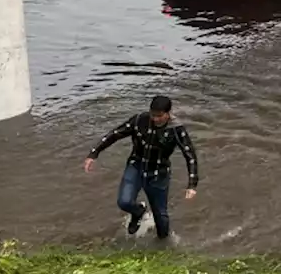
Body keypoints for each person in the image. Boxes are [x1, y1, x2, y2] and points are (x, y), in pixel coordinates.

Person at [84, 95, 199, 240]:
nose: (155, 119)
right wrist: (94, 153)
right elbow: (115, 134)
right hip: (136, 166)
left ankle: (163, 246)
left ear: (168, 114)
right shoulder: (140, 120)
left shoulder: (176, 129)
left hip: (159, 173)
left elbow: (190, 155)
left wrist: (192, 184)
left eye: (159, 116)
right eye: (153, 115)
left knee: (161, 218)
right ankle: (138, 212)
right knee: (124, 202)